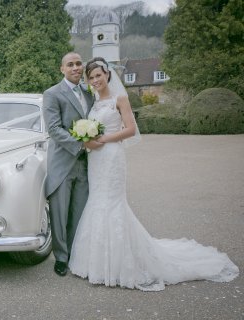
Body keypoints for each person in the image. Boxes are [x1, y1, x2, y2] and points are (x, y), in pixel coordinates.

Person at [68, 57, 239, 291]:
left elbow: (130, 129)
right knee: (97, 201)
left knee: (113, 204)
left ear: (108, 74)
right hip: (96, 160)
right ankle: (96, 263)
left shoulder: (121, 98)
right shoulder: (95, 103)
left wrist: (104, 138)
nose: (96, 80)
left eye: (99, 75)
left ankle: (120, 265)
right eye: (92, 77)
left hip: (112, 157)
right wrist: (87, 140)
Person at [43, 52, 97, 276]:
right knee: (60, 213)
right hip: (63, 162)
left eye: (78, 64)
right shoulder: (53, 94)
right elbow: (54, 129)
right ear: (62, 69)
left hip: (86, 165)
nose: (75, 67)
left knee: (79, 213)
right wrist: (81, 145)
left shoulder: (89, 92)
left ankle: (76, 255)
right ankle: (61, 259)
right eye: (70, 64)